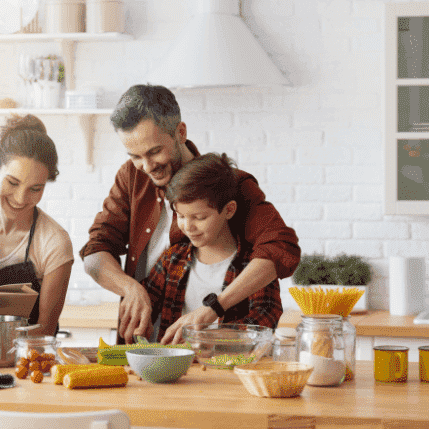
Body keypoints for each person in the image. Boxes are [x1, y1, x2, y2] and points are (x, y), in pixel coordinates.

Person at [80, 84, 300, 343]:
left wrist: (214, 309)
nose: (147, 166)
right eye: (135, 156)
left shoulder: (228, 184)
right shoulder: (132, 176)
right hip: (147, 345)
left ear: (180, 132)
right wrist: (130, 288)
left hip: (216, 350)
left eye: (154, 151)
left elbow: (280, 247)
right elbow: (95, 251)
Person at [0, 114, 74, 336]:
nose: (20, 198)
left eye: (35, 189)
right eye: (12, 182)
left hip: (28, 361)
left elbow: (45, 329)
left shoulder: (54, 242)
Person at [143, 153, 283, 344]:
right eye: (181, 216)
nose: (188, 227)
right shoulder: (172, 259)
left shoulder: (254, 265)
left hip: (229, 368)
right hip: (175, 369)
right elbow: (146, 305)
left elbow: (265, 319)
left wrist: (209, 338)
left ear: (229, 210)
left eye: (200, 218)